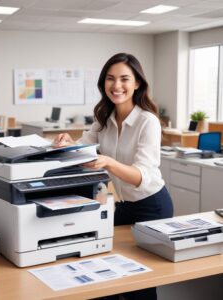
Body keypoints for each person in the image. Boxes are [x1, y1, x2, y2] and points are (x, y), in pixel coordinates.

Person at [54, 53, 173, 300]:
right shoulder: (104, 119)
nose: (116, 86)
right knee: (103, 262)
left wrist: (109, 162)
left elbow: (143, 176)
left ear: (137, 83)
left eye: (124, 79)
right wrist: (65, 143)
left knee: (142, 281)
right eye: (110, 79)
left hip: (153, 205)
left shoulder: (147, 121)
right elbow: (81, 147)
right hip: (125, 204)